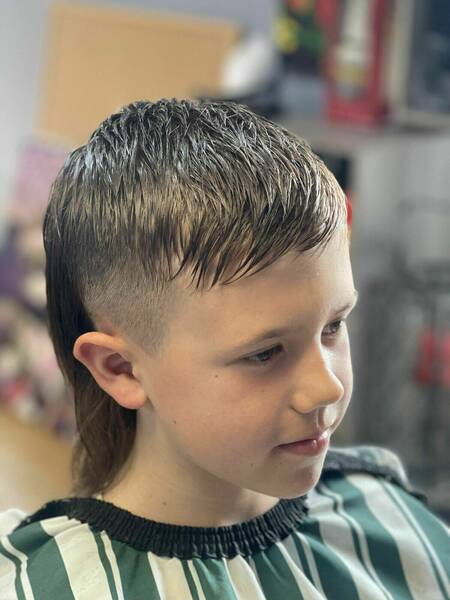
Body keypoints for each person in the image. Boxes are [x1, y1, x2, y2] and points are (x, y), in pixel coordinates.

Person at [0, 99, 448, 599]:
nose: (328, 387)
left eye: (333, 326)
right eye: (265, 353)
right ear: (122, 368)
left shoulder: (390, 517)